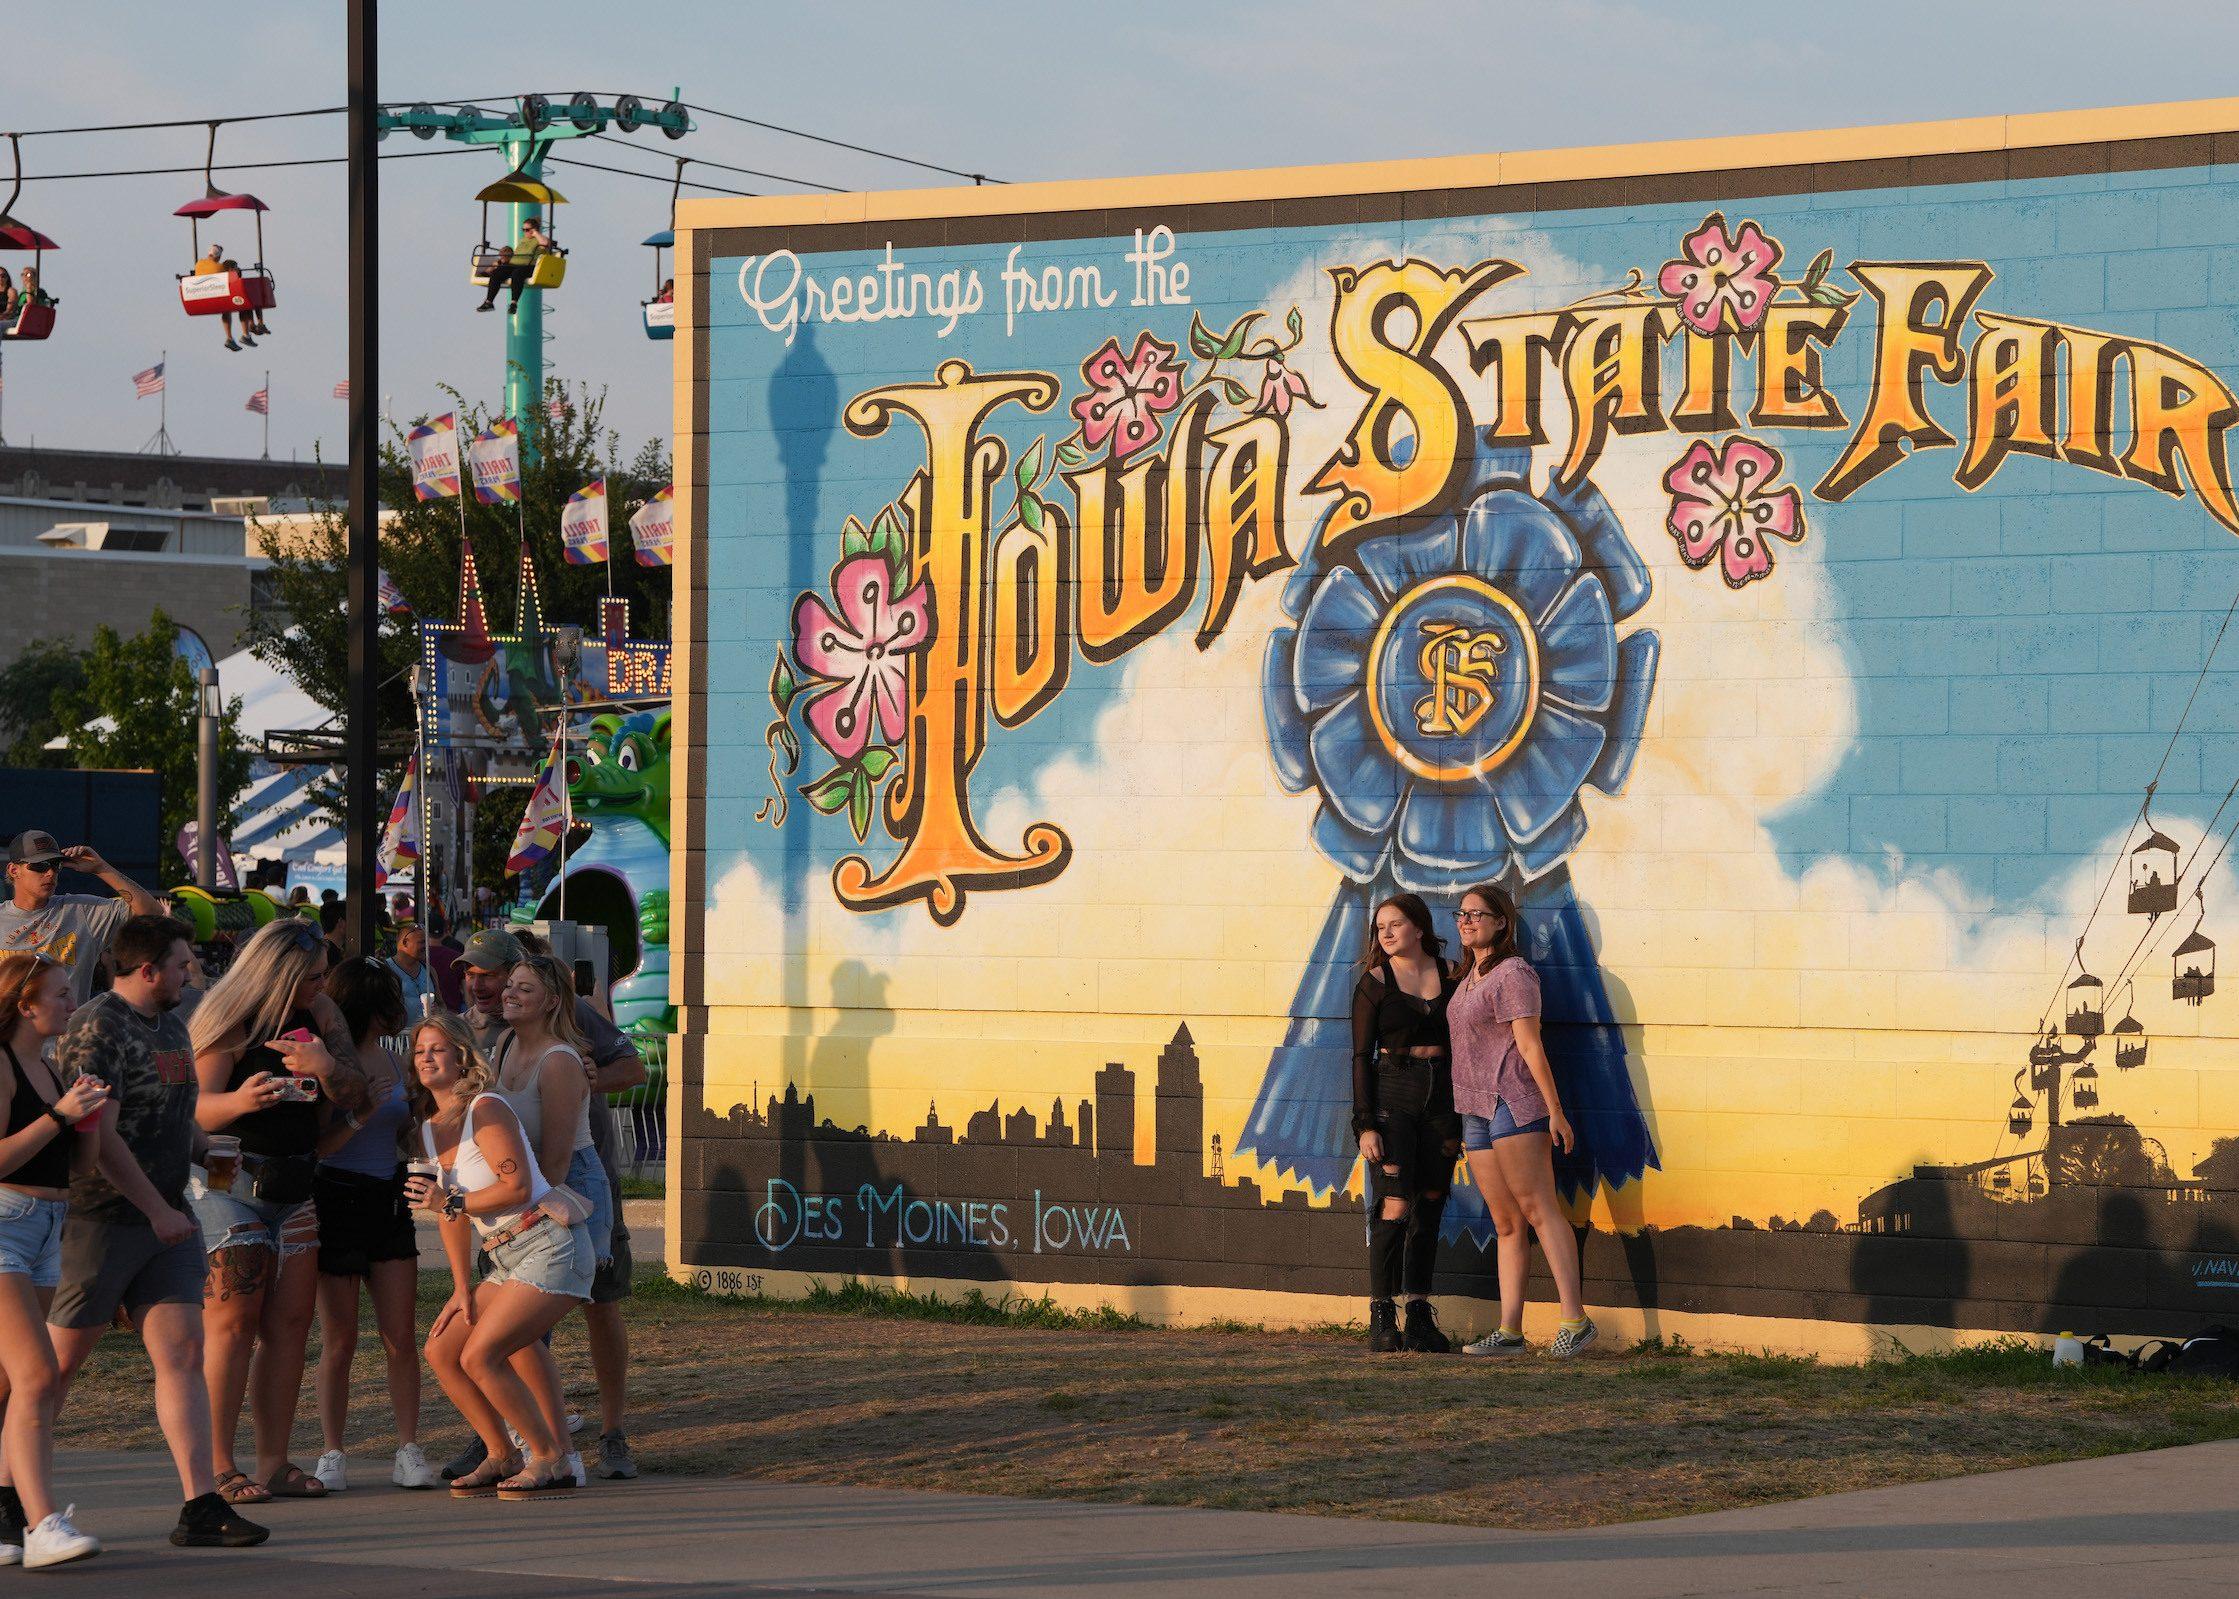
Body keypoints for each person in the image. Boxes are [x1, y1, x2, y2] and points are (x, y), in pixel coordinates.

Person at [46, 915, 269, 1548]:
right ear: (146, 969)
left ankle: (199, 1504)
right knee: (55, 1369)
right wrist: (157, 1211)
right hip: (103, 1220)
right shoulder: (98, 1025)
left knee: (183, 1355)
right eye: (180, 962)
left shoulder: (172, 1023)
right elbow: (101, 1136)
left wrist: (210, 1150)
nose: (189, 971)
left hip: (165, 1218)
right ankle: (12, 1493)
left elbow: (171, 1115)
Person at [188, 918, 371, 1504]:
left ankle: (273, 1461)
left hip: (294, 1184)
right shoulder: (232, 1022)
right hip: (228, 1182)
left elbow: (356, 1092)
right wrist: (241, 1099)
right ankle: (219, 1465)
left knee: (289, 1328)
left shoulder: (318, 1017)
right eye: (311, 977)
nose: (321, 986)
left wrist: (325, 1068)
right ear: (279, 974)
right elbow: (194, 1110)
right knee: (232, 1328)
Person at [453, 929, 642, 1482]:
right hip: (528, 1188)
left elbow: (556, 1167)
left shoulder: (562, 1052)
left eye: (512, 983)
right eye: (491, 980)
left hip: (568, 1191)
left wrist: (496, 1204)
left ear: (549, 997)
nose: (496, 989)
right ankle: (521, 1440)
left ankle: (602, 1435)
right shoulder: (503, 1042)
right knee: (516, 1330)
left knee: (590, 1305)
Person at [406, 1012, 588, 1501]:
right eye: (420, 1050)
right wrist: (462, 1286)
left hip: (547, 1242)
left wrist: (449, 1202)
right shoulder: (430, 1127)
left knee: (481, 1355)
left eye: (438, 1048)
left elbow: (518, 1186)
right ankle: (501, 1453)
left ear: (463, 1056)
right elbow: (452, 1216)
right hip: (502, 1256)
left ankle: (547, 1456)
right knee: (442, 1350)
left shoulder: (485, 1109)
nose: (426, 1057)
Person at [1449, 882, 1597, 1358]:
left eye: (1477, 914)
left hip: (1513, 1102)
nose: (1467, 921)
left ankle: (1575, 1321)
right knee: (1506, 1221)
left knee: (1539, 1209)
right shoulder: (1468, 976)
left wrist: (1555, 1111)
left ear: (1501, 922)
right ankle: (1510, 1332)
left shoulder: (1513, 973)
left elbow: (1530, 1045)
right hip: (1474, 1108)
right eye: (1462, 914)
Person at [309, 959, 435, 1493]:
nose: (399, 1010)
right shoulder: (327, 1063)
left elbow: (403, 1132)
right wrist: (359, 1115)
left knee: (399, 1336)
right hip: (336, 1196)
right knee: (339, 1337)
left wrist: (422, 1120)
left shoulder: (393, 1059)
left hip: (389, 1196)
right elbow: (318, 1146)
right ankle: (332, 1450)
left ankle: (408, 1447)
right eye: (389, 1000)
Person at [0, 955, 110, 1567]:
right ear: (24, 1004)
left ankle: (5, 1512)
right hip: (5, 1223)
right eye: (63, 995)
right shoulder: (5, 1064)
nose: (73, 1004)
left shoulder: (48, 1067)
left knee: (15, 1381)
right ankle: (41, 1523)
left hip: (47, 1228)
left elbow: (81, 1169)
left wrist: (86, 1119)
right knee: (38, 1376)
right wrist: (58, 1116)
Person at [1350, 893, 1461, 1354]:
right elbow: (1360, 1056)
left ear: (1419, 927)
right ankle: (1381, 1315)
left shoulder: (1454, 974)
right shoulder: (1374, 983)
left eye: (1395, 924)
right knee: (1395, 1204)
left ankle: (1418, 1313)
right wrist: (1364, 1125)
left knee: (1431, 1201)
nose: (1387, 934)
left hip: (1444, 1101)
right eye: (1380, 928)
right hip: (1393, 1098)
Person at [1, 831, 161, 1006]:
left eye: (56, 865)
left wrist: (101, 868)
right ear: (13, 870)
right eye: (40, 865)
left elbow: (151, 911)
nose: (50, 873)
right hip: (11, 1032)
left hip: (69, 1032)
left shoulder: (81, 911)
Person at [476, 217, 551, 317]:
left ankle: (513, 303)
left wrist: (536, 234)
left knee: (517, 274)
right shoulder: (523, 240)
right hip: (513, 264)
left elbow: (545, 244)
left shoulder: (539, 239)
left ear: (534, 230)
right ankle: (489, 302)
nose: (525, 232)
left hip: (528, 266)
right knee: (496, 273)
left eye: (527, 230)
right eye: (523, 229)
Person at [387, 923, 438, 1021]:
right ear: (405, 942)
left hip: (424, 1034)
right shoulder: (385, 970)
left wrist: (439, 1011)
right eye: (422, 942)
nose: (427, 946)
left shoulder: (429, 970)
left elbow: (441, 1004)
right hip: (397, 1035)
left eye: (427, 942)